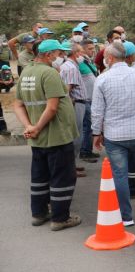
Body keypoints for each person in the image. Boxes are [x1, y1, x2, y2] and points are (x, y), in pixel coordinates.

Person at [13, 39, 82, 231]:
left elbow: (17, 104)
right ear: (48, 54)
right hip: (56, 136)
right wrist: (37, 127)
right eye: (58, 54)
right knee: (62, 177)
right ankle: (61, 218)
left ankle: (39, 213)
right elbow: (52, 108)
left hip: (38, 139)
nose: (60, 57)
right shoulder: (49, 73)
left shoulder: (27, 71)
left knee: (40, 177)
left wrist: (29, 126)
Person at [92, 42, 135, 227]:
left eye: (106, 56)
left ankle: (126, 216)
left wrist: (96, 132)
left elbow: (97, 110)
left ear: (111, 58)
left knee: (120, 175)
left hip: (114, 136)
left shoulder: (102, 79)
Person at [58, 43, 94, 172]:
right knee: (76, 136)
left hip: (78, 103)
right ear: (76, 53)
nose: (82, 55)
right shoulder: (70, 68)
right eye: (81, 52)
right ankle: (69, 167)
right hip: (76, 103)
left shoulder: (72, 66)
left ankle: (71, 164)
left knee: (77, 134)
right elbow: (67, 90)